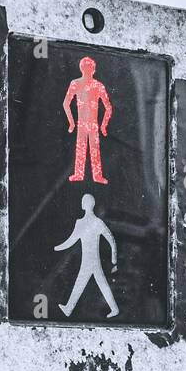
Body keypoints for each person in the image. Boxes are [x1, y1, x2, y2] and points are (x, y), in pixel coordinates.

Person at [55, 195, 119, 319]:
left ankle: (69, 308)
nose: (82, 203)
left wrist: (58, 247)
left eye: (83, 201)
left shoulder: (88, 222)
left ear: (85, 204)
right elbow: (111, 240)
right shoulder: (93, 222)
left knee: (85, 283)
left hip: (90, 261)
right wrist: (113, 257)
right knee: (97, 283)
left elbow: (71, 241)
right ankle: (69, 308)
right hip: (91, 261)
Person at [63, 56, 112, 184]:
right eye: (87, 67)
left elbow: (108, 107)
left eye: (89, 67)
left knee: (91, 149)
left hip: (90, 124)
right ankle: (83, 175)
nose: (88, 70)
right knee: (85, 149)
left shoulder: (96, 85)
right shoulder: (80, 84)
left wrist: (103, 125)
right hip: (85, 123)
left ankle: (94, 176)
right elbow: (65, 103)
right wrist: (72, 123)